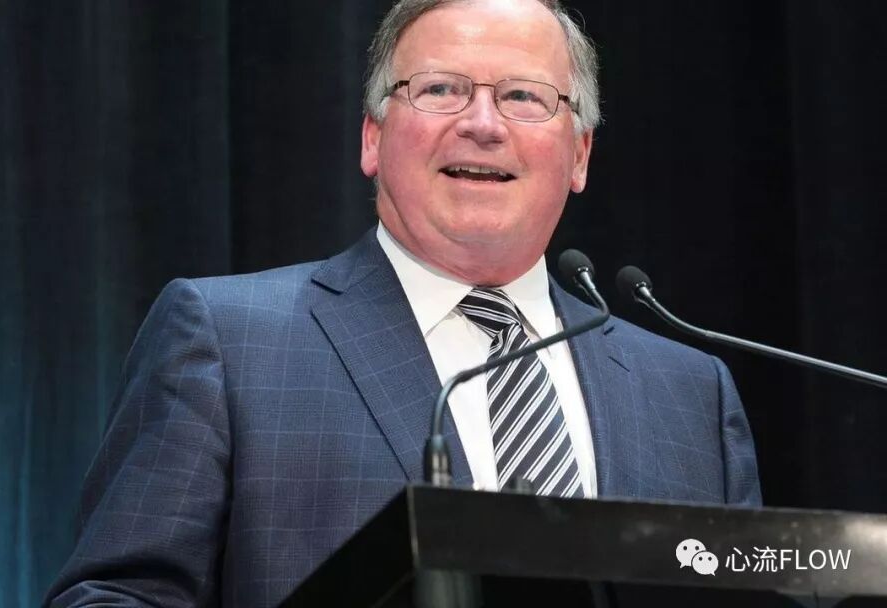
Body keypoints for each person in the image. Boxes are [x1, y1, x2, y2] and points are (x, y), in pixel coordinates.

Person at [46, 0, 761, 605]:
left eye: (523, 97)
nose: (483, 123)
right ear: (373, 138)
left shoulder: (691, 392)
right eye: (442, 89)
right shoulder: (230, 342)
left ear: (579, 155)